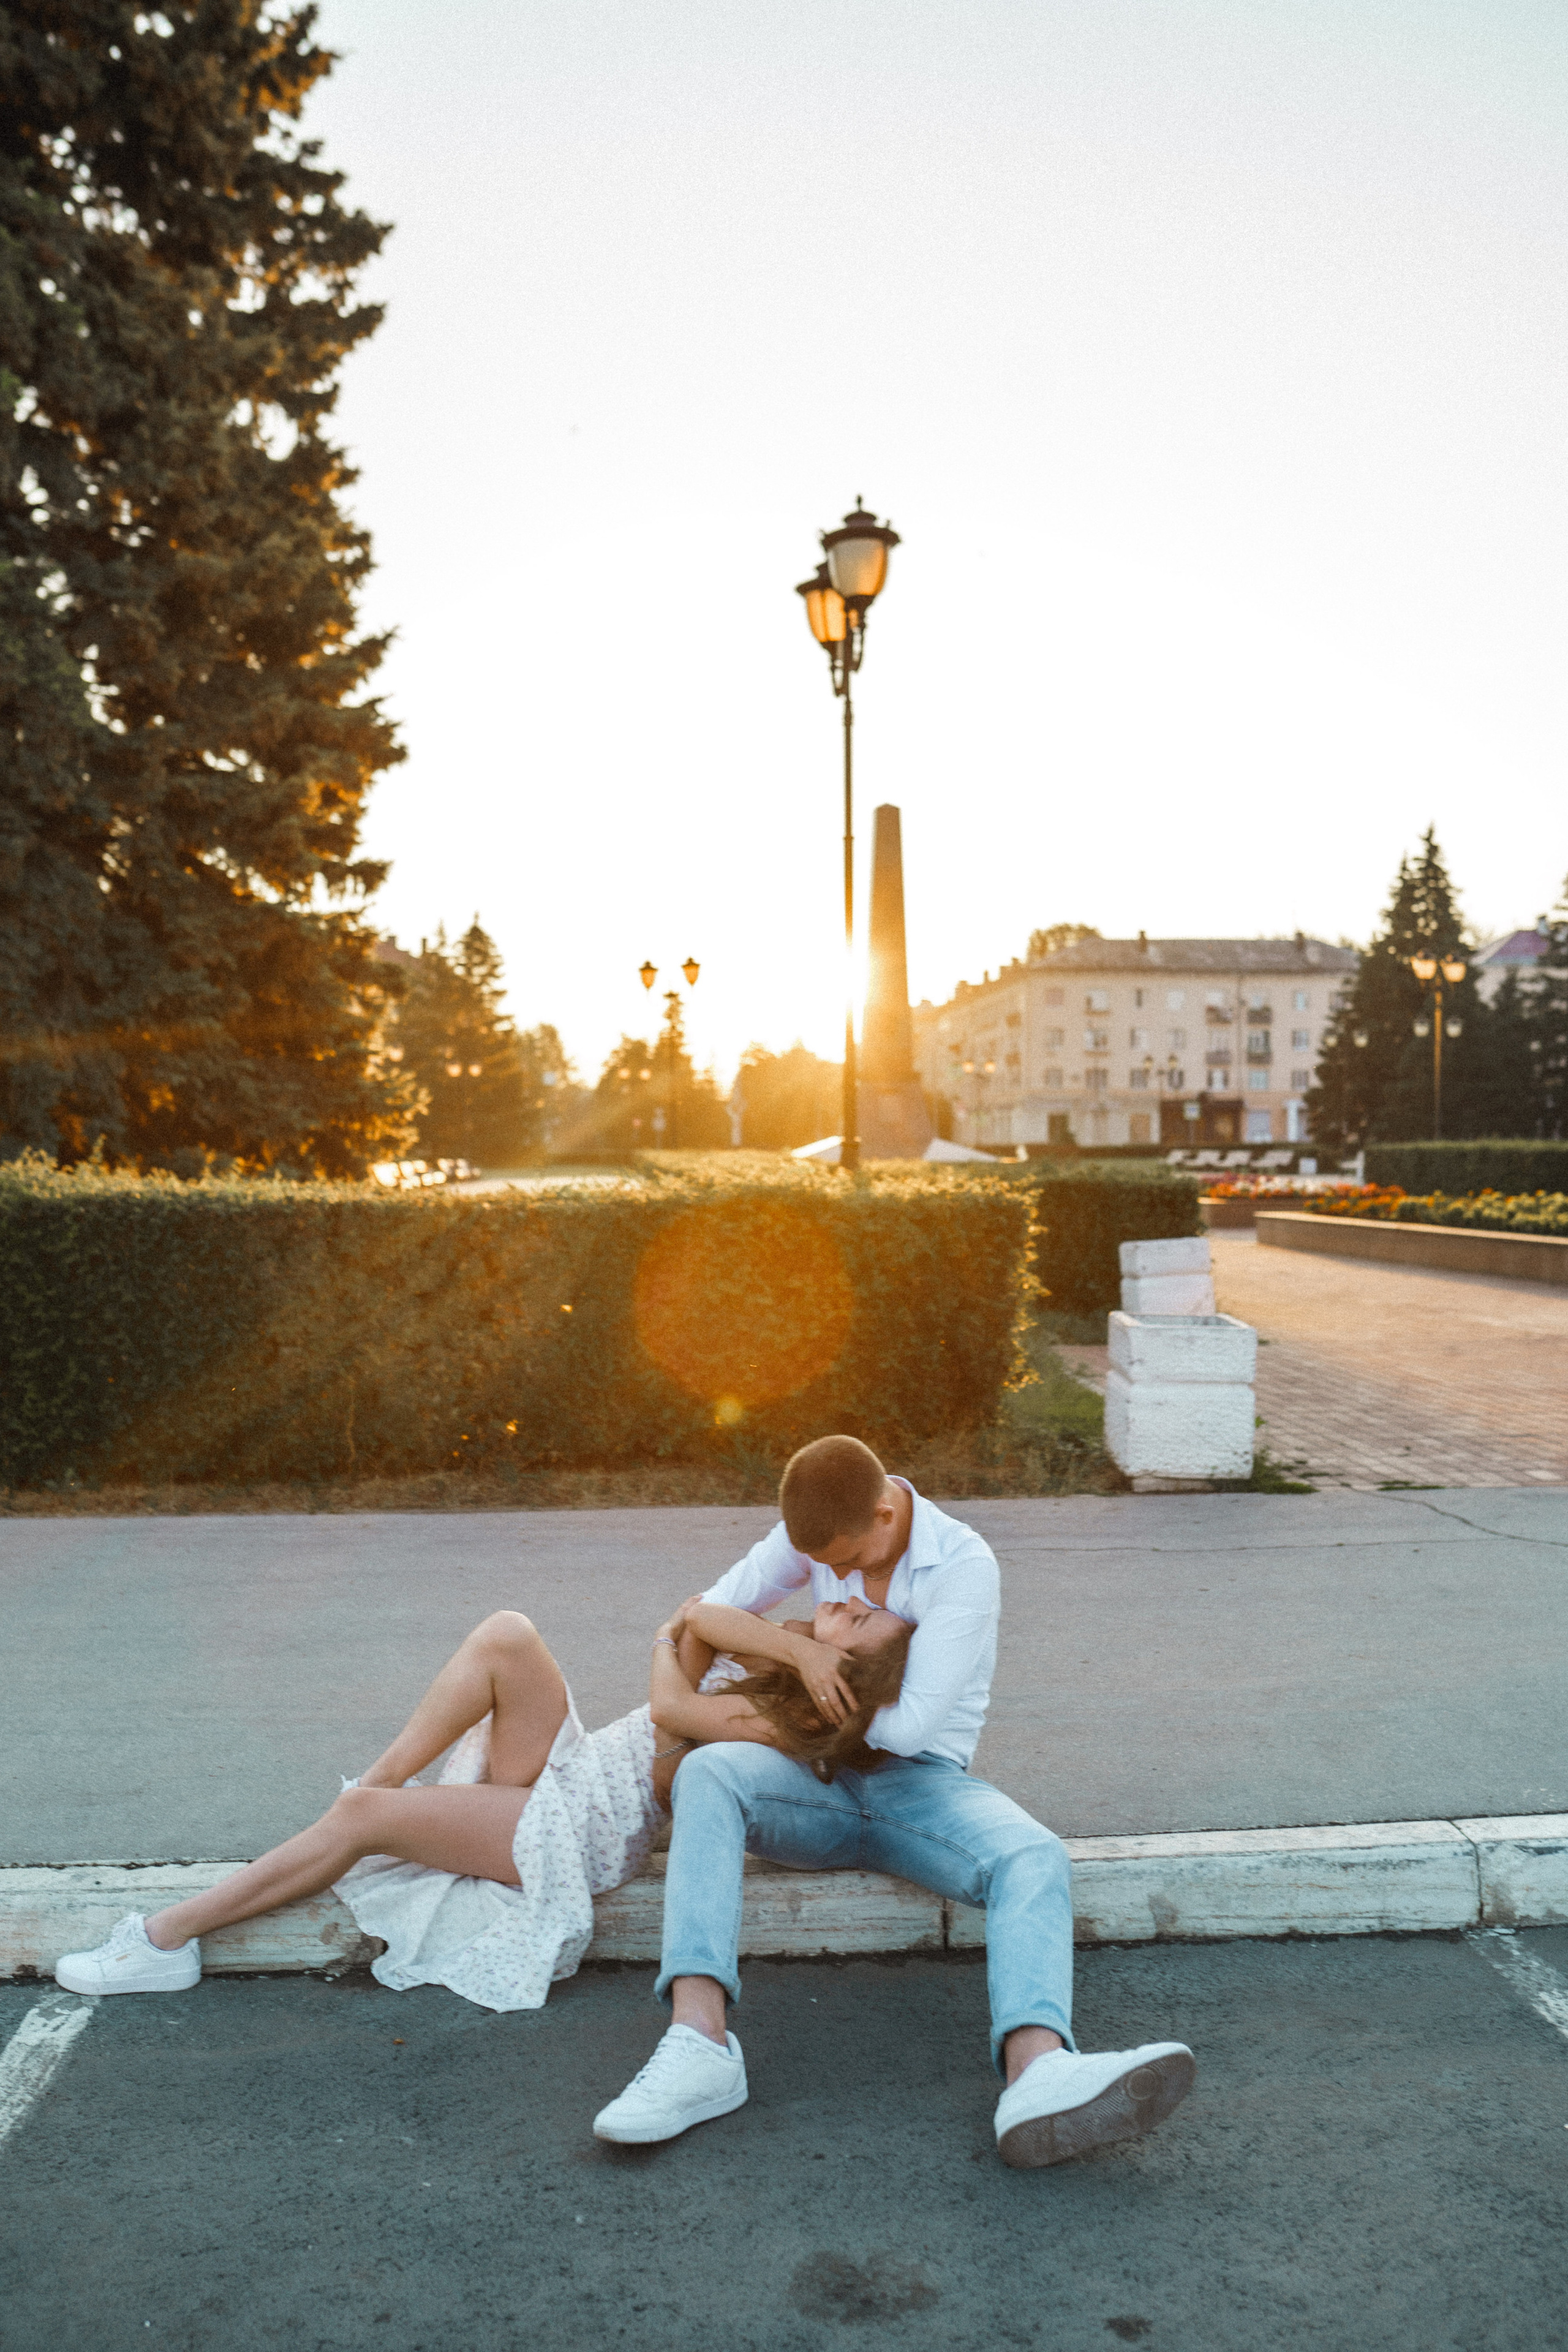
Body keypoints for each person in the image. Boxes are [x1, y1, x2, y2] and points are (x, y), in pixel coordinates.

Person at [593, 1434, 1196, 2168]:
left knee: (1032, 1854)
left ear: (885, 1513)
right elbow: (708, 1612)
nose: (835, 1579)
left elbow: (909, 1726)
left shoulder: (964, 1566)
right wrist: (803, 1653)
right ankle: (700, 2046)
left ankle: (1036, 2073)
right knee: (710, 1773)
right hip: (811, 1778)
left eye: (848, 1560)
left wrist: (815, 1700)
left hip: (922, 1784)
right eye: (824, 1567)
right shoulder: (822, 1533)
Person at [52, 1590, 913, 2015]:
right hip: (569, 1777)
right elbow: (702, 1615)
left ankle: (166, 1940)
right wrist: (796, 1651)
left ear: (853, 1678)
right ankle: (384, 1783)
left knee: (357, 1825)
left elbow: (671, 1701)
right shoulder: (781, 1681)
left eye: (859, 1622)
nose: (843, 1601)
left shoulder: (774, 1729)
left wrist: (664, 1643)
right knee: (508, 1633)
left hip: (568, 1833)